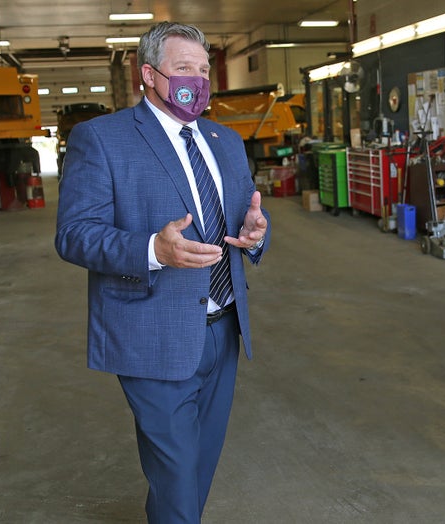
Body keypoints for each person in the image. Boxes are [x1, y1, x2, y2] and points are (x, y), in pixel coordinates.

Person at [55, 21, 270, 523]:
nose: (196, 79)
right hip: (151, 331)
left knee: (197, 468)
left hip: (224, 329)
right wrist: (153, 248)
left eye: (203, 70)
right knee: (176, 475)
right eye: (183, 69)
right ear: (149, 75)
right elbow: (74, 235)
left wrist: (258, 234)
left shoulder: (226, 140)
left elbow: (246, 218)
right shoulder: (102, 139)